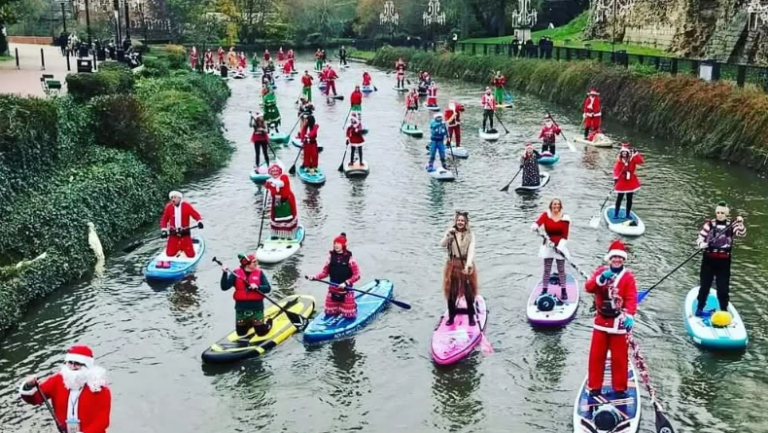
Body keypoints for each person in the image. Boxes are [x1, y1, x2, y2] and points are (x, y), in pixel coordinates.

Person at [585, 240, 637, 398]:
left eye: (620, 258)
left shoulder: (628, 278)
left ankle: (620, 389)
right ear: (609, 258)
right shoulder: (601, 272)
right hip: (601, 322)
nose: (617, 260)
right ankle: (594, 387)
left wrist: (629, 315)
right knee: (596, 356)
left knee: (619, 358)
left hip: (619, 323)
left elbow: (631, 298)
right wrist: (601, 279)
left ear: (624, 259)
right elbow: (589, 287)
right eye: (614, 257)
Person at [19, 345, 111, 433]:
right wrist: (29, 385)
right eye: (70, 362)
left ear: (87, 365)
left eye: (77, 363)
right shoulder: (58, 380)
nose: (72, 367)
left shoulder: (99, 387)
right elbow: (35, 398)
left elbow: (102, 421)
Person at [695, 202, 747, 316]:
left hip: (724, 262)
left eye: (722, 213)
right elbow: (700, 238)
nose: (720, 215)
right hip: (708, 260)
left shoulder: (731, 225)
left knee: (723, 289)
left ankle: (724, 311)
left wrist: (741, 223)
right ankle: (699, 309)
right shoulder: (709, 224)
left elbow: (741, 233)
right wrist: (701, 244)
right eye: (718, 212)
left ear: (726, 214)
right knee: (705, 287)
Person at [306, 233, 361, 319]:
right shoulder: (330, 258)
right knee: (329, 313)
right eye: (335, 243)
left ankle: (353, 306)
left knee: (349, 316)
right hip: (333, 291)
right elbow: (324, 273)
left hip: (346, 291)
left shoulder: (350, 259)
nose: (336, 245)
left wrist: (346, 283)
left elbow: (357, 275)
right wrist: (315, 277)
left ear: (343, 245)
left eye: (338, 243)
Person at [220, 253, 273, 337]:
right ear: (247, 264)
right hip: (241, 309)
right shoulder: (235, 273)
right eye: (254, 262)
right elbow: (224, 287)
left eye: (257, 261)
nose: (257, 264)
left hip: (257, 308)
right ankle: (250, 323)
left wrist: (258, 287)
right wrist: (224, 273)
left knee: (261, 333)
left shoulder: (260, 273)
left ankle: (268, 323)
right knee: (241, 333)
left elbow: (268, 288)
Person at [439, 211, 478, 326]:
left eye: (462, 221)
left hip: (466, 264)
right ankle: (451, 317)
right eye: (458, 220)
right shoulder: (451, 232)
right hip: (452, 264)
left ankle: (471, 317)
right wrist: (448, 236)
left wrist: (468, 265)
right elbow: (442, 244)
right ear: (455, 221)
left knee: (468, 292)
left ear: (466, 222)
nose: (460, 222)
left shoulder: (470, 235)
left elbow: (471, 250)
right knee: (452, 293)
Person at [531, 199, 571, 299]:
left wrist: (559, 247)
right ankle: (544, 290)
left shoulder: (565, 219)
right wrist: (535, 226)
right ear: (551, 206)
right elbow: (538, 222)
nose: (556, 206)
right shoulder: (546, 215)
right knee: (547, 269)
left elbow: (565, 236)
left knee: (561, 270)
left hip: (559, 247)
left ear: (560, 206)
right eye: (554, 204)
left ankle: (563, 291)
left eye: (558, 204)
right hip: (548, 246)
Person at [160, 191, 203, 259]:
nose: (173, 199)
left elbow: (195, 214)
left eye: (175, 197)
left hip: (185, 232)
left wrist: (199, 221)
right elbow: (164, 219)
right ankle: (179, 246)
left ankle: (185, 244)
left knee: (191, 255)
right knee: (169, 254)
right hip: (173, 233)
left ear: (179, 198)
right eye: (172, 198)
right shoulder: (169, 207)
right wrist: (164, 230)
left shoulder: (186, 206)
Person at [265, 164, 299, 239]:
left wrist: (272, 182)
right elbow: (267, 190)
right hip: (277, 200)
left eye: (276, 172)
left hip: (286, 200)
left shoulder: (283, 177)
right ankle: (277, 234)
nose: (274, 174)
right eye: (272, 172)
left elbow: (281, 184)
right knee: (277, 217)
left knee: (287, 217)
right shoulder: (270, 181)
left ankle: (289, 235)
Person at [613, 143, 644, 221]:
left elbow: (641, 161)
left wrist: (636, 153)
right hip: (622, 181)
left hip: (630, 181)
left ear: (627, 153)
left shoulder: (632, 159)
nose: (624, 153)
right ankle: (616, 214)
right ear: (621, 153)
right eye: (622, 152)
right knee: (619, 198)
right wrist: (616, 178)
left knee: (629, 199)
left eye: (625, 152)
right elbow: (616, 170)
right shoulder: (619, 161)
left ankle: (627, 214)